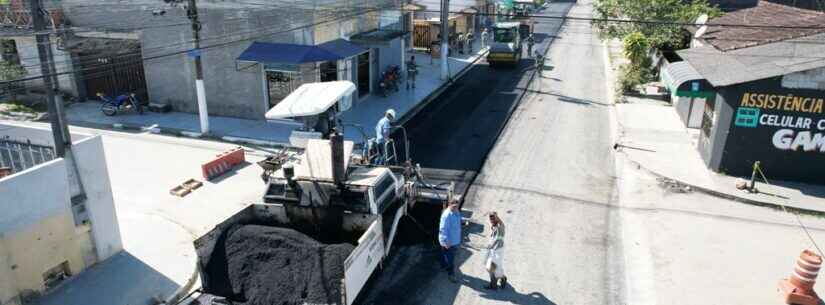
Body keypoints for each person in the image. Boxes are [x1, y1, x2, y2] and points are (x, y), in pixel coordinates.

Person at [438, 200, 462, 283]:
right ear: (449, 205)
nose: (455, 207)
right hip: (449, 241)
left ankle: (443, 266)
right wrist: (446, 241)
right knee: (450, 258)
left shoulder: (456, 211)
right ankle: (451, 274)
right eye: (454, 206)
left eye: (457, 206)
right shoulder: (446, 215)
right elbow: (443, 229)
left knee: (444, 254)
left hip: (454, 240)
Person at [484, 212, 507, 290]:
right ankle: (495, 283)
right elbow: (490, 223)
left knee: (495, 268)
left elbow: (501, 223)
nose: (492, 220)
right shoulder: (493, 226)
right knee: (489, 267)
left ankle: (499, 281)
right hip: (491, 250)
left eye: (493, 218)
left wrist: (496, 216)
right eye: (491, 218)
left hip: (498, 250)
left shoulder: (501, 227)